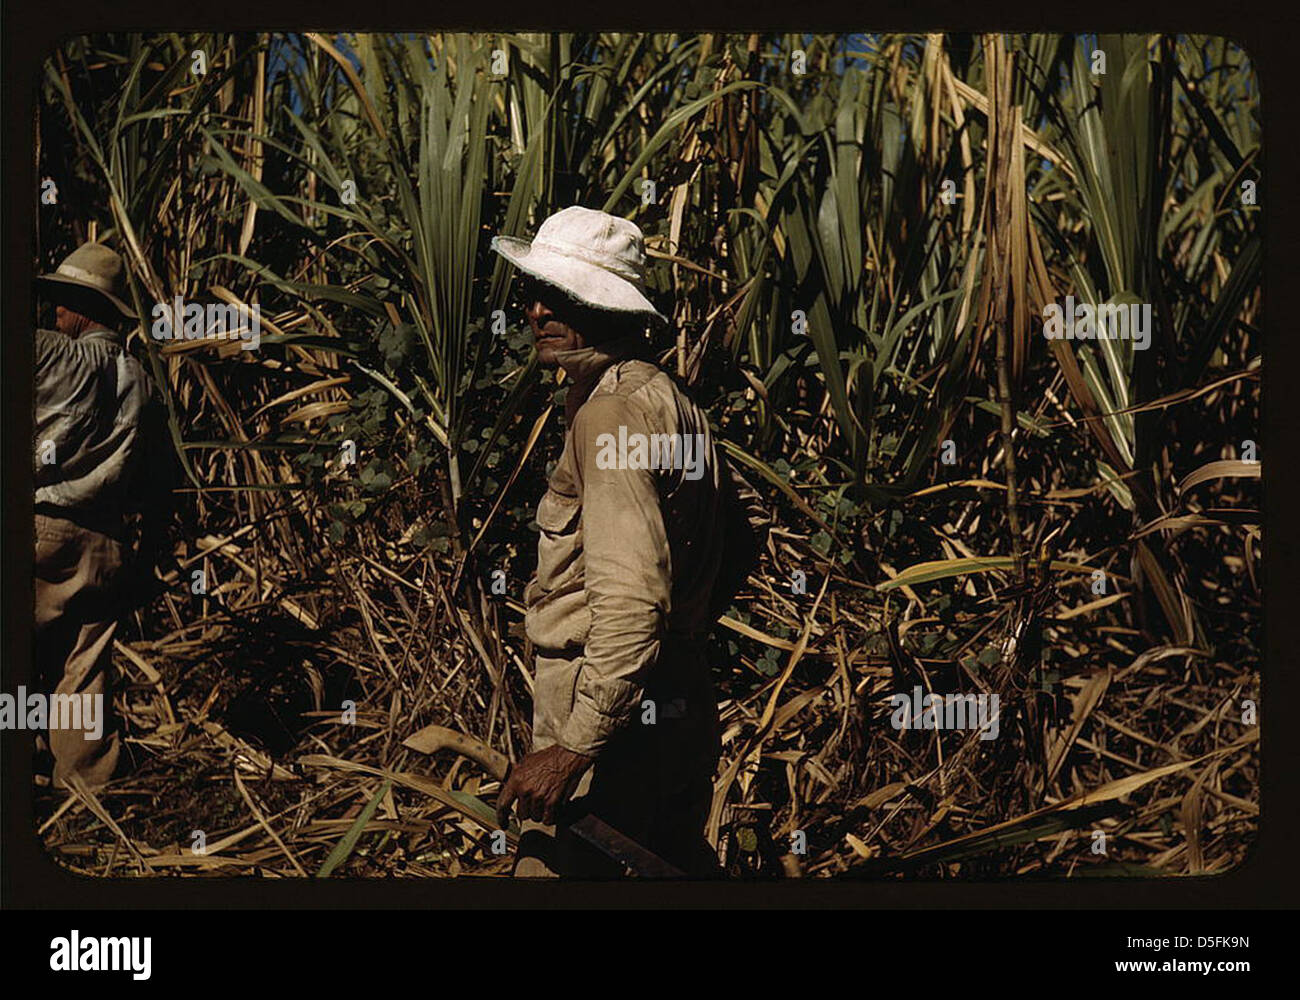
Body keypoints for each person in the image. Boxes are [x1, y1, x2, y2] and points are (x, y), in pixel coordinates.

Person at [491, 206, 770, 877]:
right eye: (535, 294)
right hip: (673, 705)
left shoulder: (610, 415)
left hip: (614, 730)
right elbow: (748, 519)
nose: (536, 312)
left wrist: (573, 750)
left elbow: (631, 599)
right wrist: (682, 634)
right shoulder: (667, 399)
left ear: (611, 309)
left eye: (561, 297)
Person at [33, 241, 165, 790]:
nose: (53, 313)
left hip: (39, 525)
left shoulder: (56, 356)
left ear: (80, 307)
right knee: (82, 667)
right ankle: (83, 793)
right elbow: (155, 483)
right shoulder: (141, 380)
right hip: (103, 542)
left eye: (61, 302)